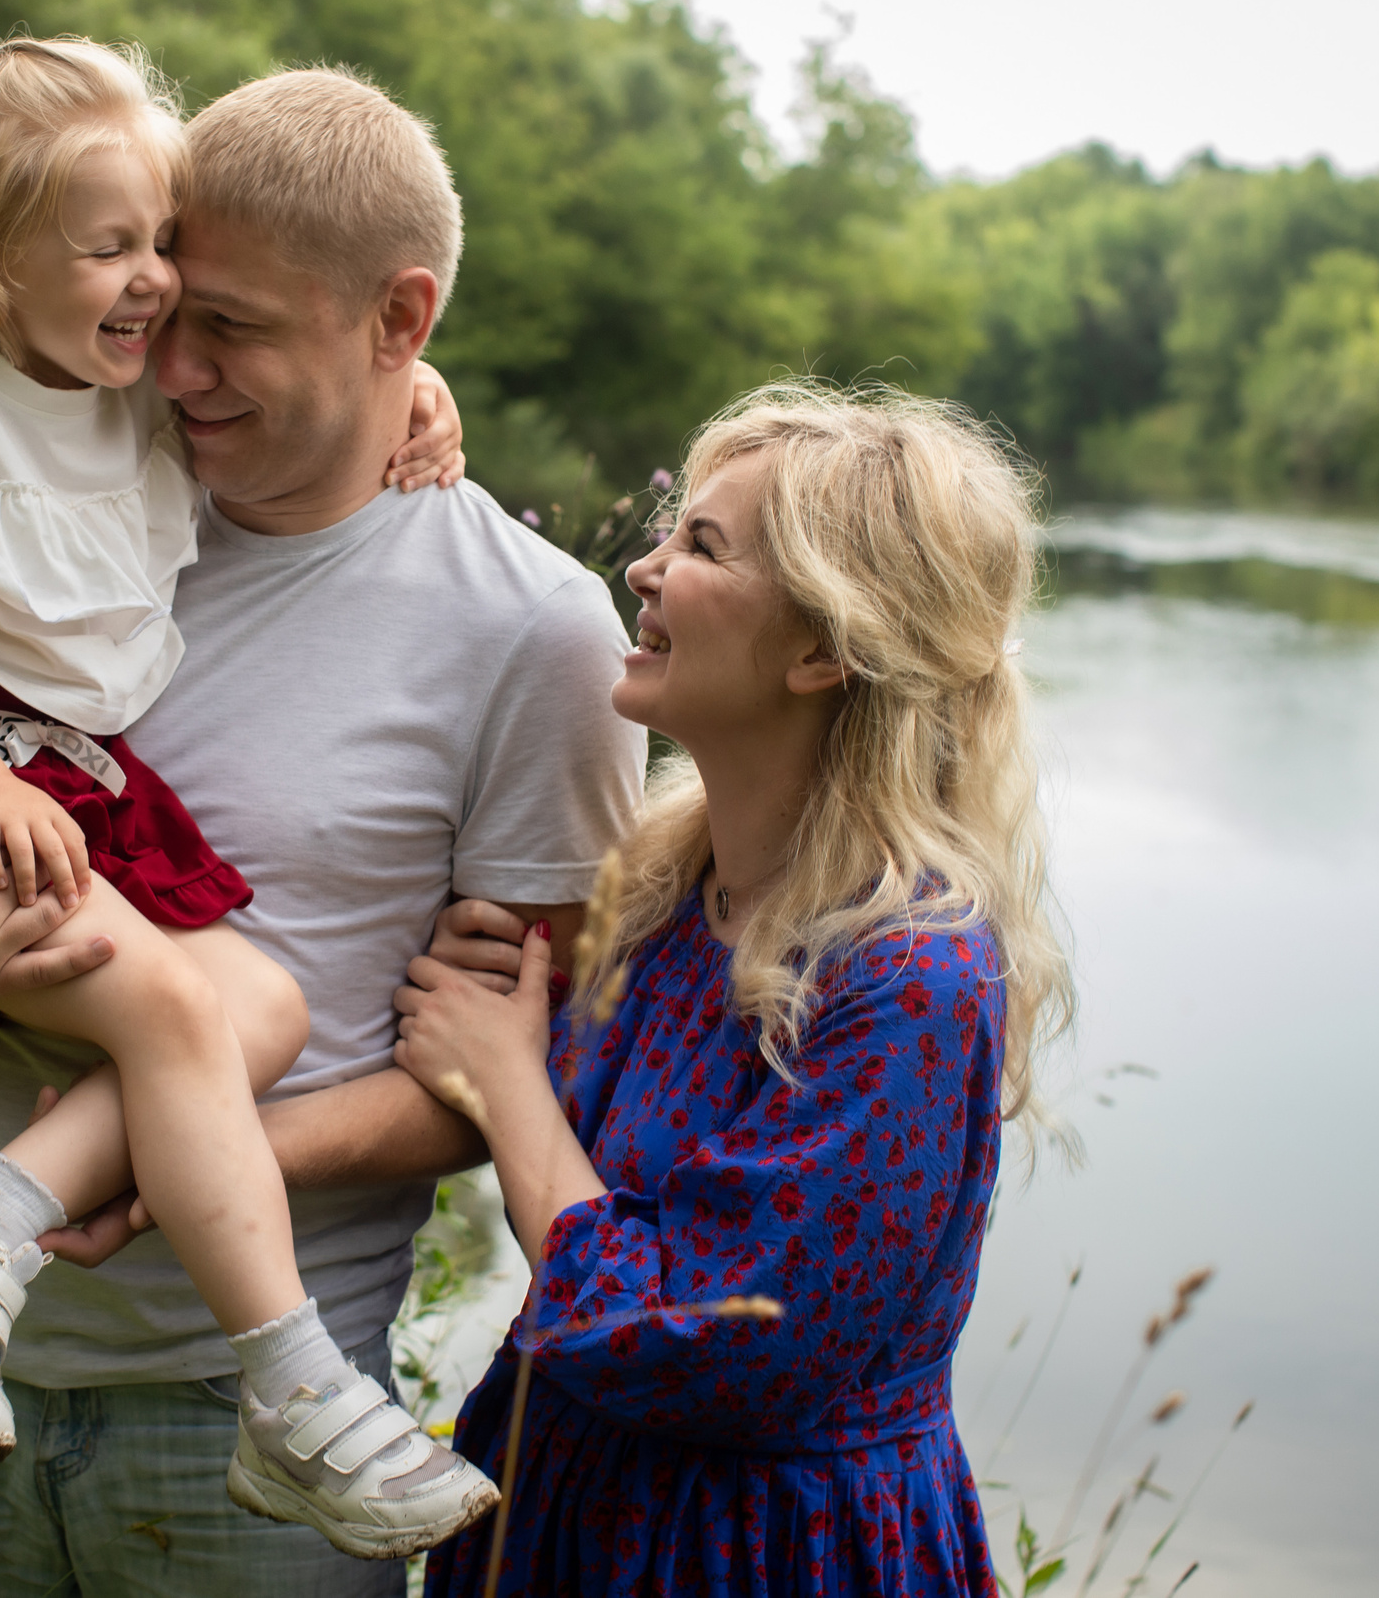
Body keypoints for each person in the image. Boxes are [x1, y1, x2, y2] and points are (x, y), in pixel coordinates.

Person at [0, 64, 646, 1596]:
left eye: (235, 329)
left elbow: (528, 1076)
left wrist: (182, 1154)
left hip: (240, 1427)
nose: (173, 366)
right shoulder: (60, 504)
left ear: (404, 319)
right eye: (166, 304)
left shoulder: (534, 632)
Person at [395, 383, 1074, 1596]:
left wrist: (509, 1086)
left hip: (760, 1554)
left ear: (823, 648)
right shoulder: (665, 891)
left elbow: (719, 1351)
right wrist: (406, 395)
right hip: (561, 1513)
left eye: (701, 546)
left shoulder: (911, 974)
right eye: (668, 530)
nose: (643, 570)